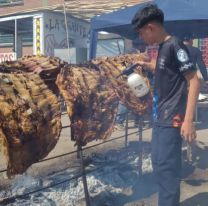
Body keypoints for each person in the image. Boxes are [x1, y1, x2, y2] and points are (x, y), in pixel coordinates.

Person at [131, 4, 200, 206]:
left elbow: (194, 80)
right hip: (160, 115)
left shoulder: (175, 46)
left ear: (151, 27)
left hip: (173, 118)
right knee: (159, 164)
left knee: (167, 168)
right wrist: (146, 65)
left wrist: (189, 121)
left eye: (141, 32)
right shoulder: (162, 48)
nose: (141, 38)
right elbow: (165, 68)